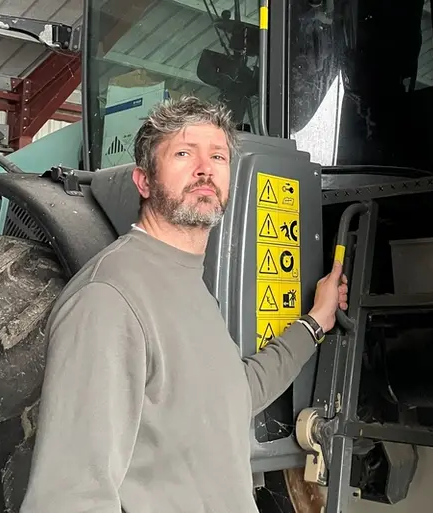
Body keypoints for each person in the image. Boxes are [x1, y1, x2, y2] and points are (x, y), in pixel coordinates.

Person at [19, 96, 348, 513]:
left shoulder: (191, 285)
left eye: (217, 156)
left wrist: (316, 321)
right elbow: (69, 498)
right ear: (143, 181)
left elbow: (233, 396)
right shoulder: (108, 298)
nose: (204, 168)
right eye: (182, 153)